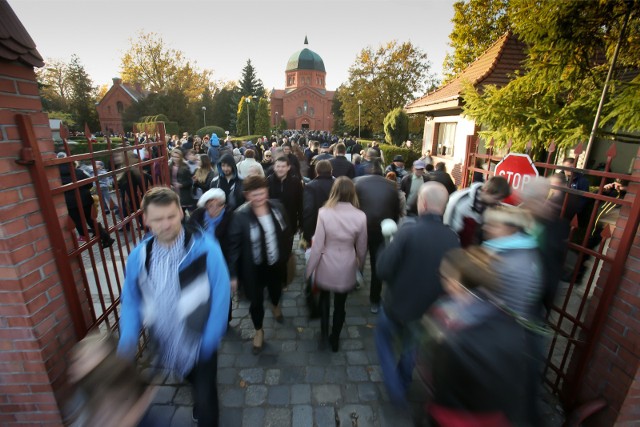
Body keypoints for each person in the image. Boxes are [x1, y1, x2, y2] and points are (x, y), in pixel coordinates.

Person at [117, 187, 230, 427]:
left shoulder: (204, 248)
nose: (166, 224)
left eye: (171, 216)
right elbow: (131, 300)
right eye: (158, 219)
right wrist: (126, 345)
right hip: (166, 340)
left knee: (206, 396)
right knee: (189, 378)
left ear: (181, 212)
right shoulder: (139, 256)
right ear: (146, 219)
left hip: (200, 342)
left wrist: (210, 339)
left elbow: (221, 293)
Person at [420, 247, 530, 426]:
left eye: (443, 276)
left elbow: (440, 384)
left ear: (454, 283)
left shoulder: (453, 332)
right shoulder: (511, 323)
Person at [375, 182, 459, 407]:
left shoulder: (407, 232)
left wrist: (387, 244)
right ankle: (403, 381)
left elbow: (383, 269)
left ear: (422, 203)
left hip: (396, 306)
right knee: (411, 346)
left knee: (383, 339)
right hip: (427, 310)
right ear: (444, 206)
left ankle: (395, 388)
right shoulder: (453, 239)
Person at [228, 175, 292, 354]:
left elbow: (287, 234)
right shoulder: (240, 216)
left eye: (262, 193)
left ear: (267, 191)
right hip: (252, 268)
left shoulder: (277, 208)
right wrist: (233, 274)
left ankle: (275, 304)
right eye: (254, 195)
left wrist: (285, 256)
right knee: (255, 302)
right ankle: (258, 330)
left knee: (276, 290)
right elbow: (234, 248)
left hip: (275, 263)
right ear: (247, 195)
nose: (258, 198)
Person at [306, 177, 367, 352]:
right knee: (341, 305)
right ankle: (335, 339)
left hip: (326, 262)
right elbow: (362, 248)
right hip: (347, 263)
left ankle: (324, 333)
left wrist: (310, 271)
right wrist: (359, 267)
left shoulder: (324, 212)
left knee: (324, 301)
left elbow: (317, 246)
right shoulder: (360, 216)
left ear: (335, 191)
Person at [354, 156, 401, 313]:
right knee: (376, 265)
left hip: (359, 227)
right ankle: (375, 300)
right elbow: (396, 211)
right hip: (381, 229)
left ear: (368, 170)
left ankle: (353, 281)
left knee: (355, 256)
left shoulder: (357, 182)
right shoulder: (391, 186)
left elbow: (352, 205)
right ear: (381, 171)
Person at [59, 156, 115, 248]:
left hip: (71, 203)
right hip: (85, 200)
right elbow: (89, 183)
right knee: (91, 219)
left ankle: (84, 237)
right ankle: (105, 237)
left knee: (77, 221)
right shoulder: (78, 172)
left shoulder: (58, 178)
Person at [443, 176, 511, 247]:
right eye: (496, 198)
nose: (499, 202)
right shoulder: (461, 201)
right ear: (486, 190)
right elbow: (450, 227)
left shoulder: (490, 205)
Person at [267, 156, 303, 240]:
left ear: (288, 167)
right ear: (274, 167)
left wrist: (301, 223)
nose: (280, 169)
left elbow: (300, 203)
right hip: (273, 221)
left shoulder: (295, 182)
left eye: (283, 166)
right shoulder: (268, 181)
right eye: (278, 166)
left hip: (290, 221)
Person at [302, 160, 335, 245]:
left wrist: (306, 234)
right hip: (336, 225)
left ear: (316, 171)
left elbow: (308, 210)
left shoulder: (310, 186)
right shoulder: (337, 184)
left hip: (317, 226)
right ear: (331, 170)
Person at [169, 149, 195, 213]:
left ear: (180, 157)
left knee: (187, 211)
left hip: (184, 193)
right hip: (174, 192)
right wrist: (170, 184)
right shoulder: (170, 166)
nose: (175, 158)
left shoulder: (185, 167)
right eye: (173, 156)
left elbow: (190, 181)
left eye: (177, 157)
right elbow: (169, 178)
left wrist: (181, 185)